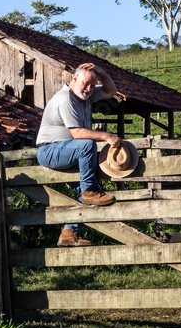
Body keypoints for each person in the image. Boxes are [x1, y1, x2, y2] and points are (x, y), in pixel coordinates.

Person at [36, 62, 121, 247]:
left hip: (68, 151)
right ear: (74, 78)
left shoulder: (86, 96)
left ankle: (69, 232)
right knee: (86, 145)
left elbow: (112, 90)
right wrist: (106, 136)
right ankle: (88, 191)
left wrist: (100, 71)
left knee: (92, 192)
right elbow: (77, 134)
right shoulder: (65, 99)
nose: (89, 88)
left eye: (92, 84)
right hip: (50, 150)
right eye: (85, 83)